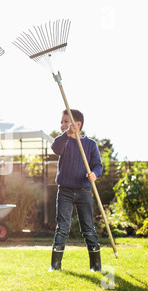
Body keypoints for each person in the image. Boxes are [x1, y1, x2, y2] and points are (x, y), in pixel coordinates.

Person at [49, 109, 102, 272]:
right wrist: (67, 134)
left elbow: (98, 165)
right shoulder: (64, 141)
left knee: (88, 227)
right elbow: (55, 148)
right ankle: (55, 265)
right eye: (62, 122)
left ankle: (95, 265)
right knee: (62, 227)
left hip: (84, 190)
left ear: (77, 124)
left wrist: (94, 174)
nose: (62, 125)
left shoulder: (90, 144)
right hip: (64, 190)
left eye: (66, 122)